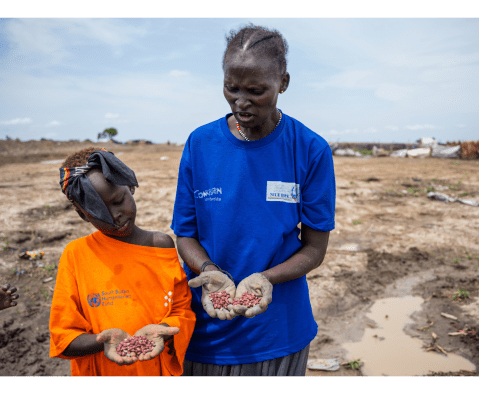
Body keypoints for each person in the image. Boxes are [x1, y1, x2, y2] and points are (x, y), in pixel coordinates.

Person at [172, 24, 336, 376]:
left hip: (277, 332)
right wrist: (209, 271)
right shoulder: (200, 144)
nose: (241, 102)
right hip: (206, 329)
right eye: (231, 88)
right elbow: (185, 234)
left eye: (256, 91)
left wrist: (266, 278)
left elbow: (314, 249)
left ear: (284, 83)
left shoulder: (309, 149)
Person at [49, 147, 195, 377]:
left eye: (118, 201)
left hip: (155, 372)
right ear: (82, 214)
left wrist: (163, 331)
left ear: (130, 186)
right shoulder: (76, 255)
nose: (114, 215)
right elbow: (64, 336)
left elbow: (181, 309)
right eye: (98, 212)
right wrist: (103, 340)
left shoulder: (160, 244)